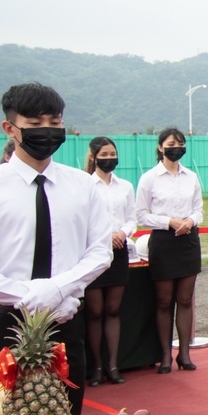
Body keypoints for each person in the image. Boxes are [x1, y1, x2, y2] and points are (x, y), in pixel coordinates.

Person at [0, 83, 112, 415]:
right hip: (6, 320)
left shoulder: (83, 185)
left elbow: (99, 252)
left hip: (65, 319)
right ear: (10, 128)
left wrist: (57, 290)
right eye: (34, 124)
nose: (46, 131)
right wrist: (28, 294)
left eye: (54, 121)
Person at [135, 128, 203, 373]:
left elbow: (199, 210)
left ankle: (184, 354)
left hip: (188, 240)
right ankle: (165, 354)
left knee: (185, 300)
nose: (177, 146)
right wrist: (168, 222)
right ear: (160, 147)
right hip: (163, 241)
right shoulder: (149, 178)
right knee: (164, 301)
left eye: (181, 143)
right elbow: (141, 214)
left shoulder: (191, 176)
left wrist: (190, 221)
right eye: (172, 143)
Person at [84, 137, 137, 386]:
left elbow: (131, 219)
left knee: (113, 310)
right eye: (104, 154)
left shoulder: (125, 186)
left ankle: (113, 365)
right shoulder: (84, 185)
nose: (109, 158)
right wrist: (106, 237)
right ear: (94, 157)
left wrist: (121, 233)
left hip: (119, 251)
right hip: (94, 252)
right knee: (94, 312)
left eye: (112, 153)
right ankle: (95, 368)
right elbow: (82, 221)